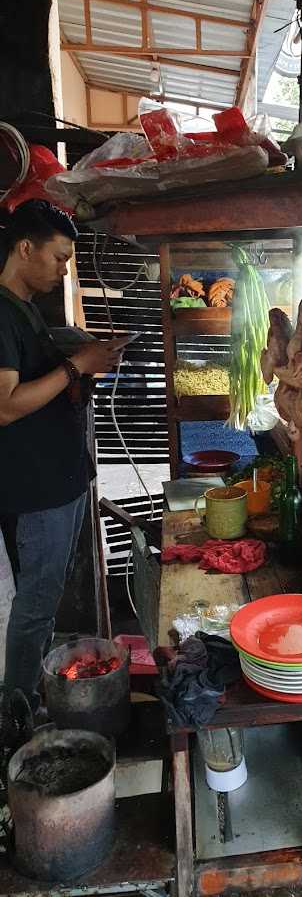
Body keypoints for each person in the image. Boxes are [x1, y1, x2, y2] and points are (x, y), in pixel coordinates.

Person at [0, 200, 120, 721]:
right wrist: (76, 365)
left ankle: (36, 695)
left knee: (45, 599)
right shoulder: (1, 311)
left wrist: (80, 362)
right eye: (58, 257)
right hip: (38, 488)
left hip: (62, 480)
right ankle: (17, 711)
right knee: (35, 605)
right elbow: (5, 406)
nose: (64, 269)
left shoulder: (26, 307)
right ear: (25, 248)